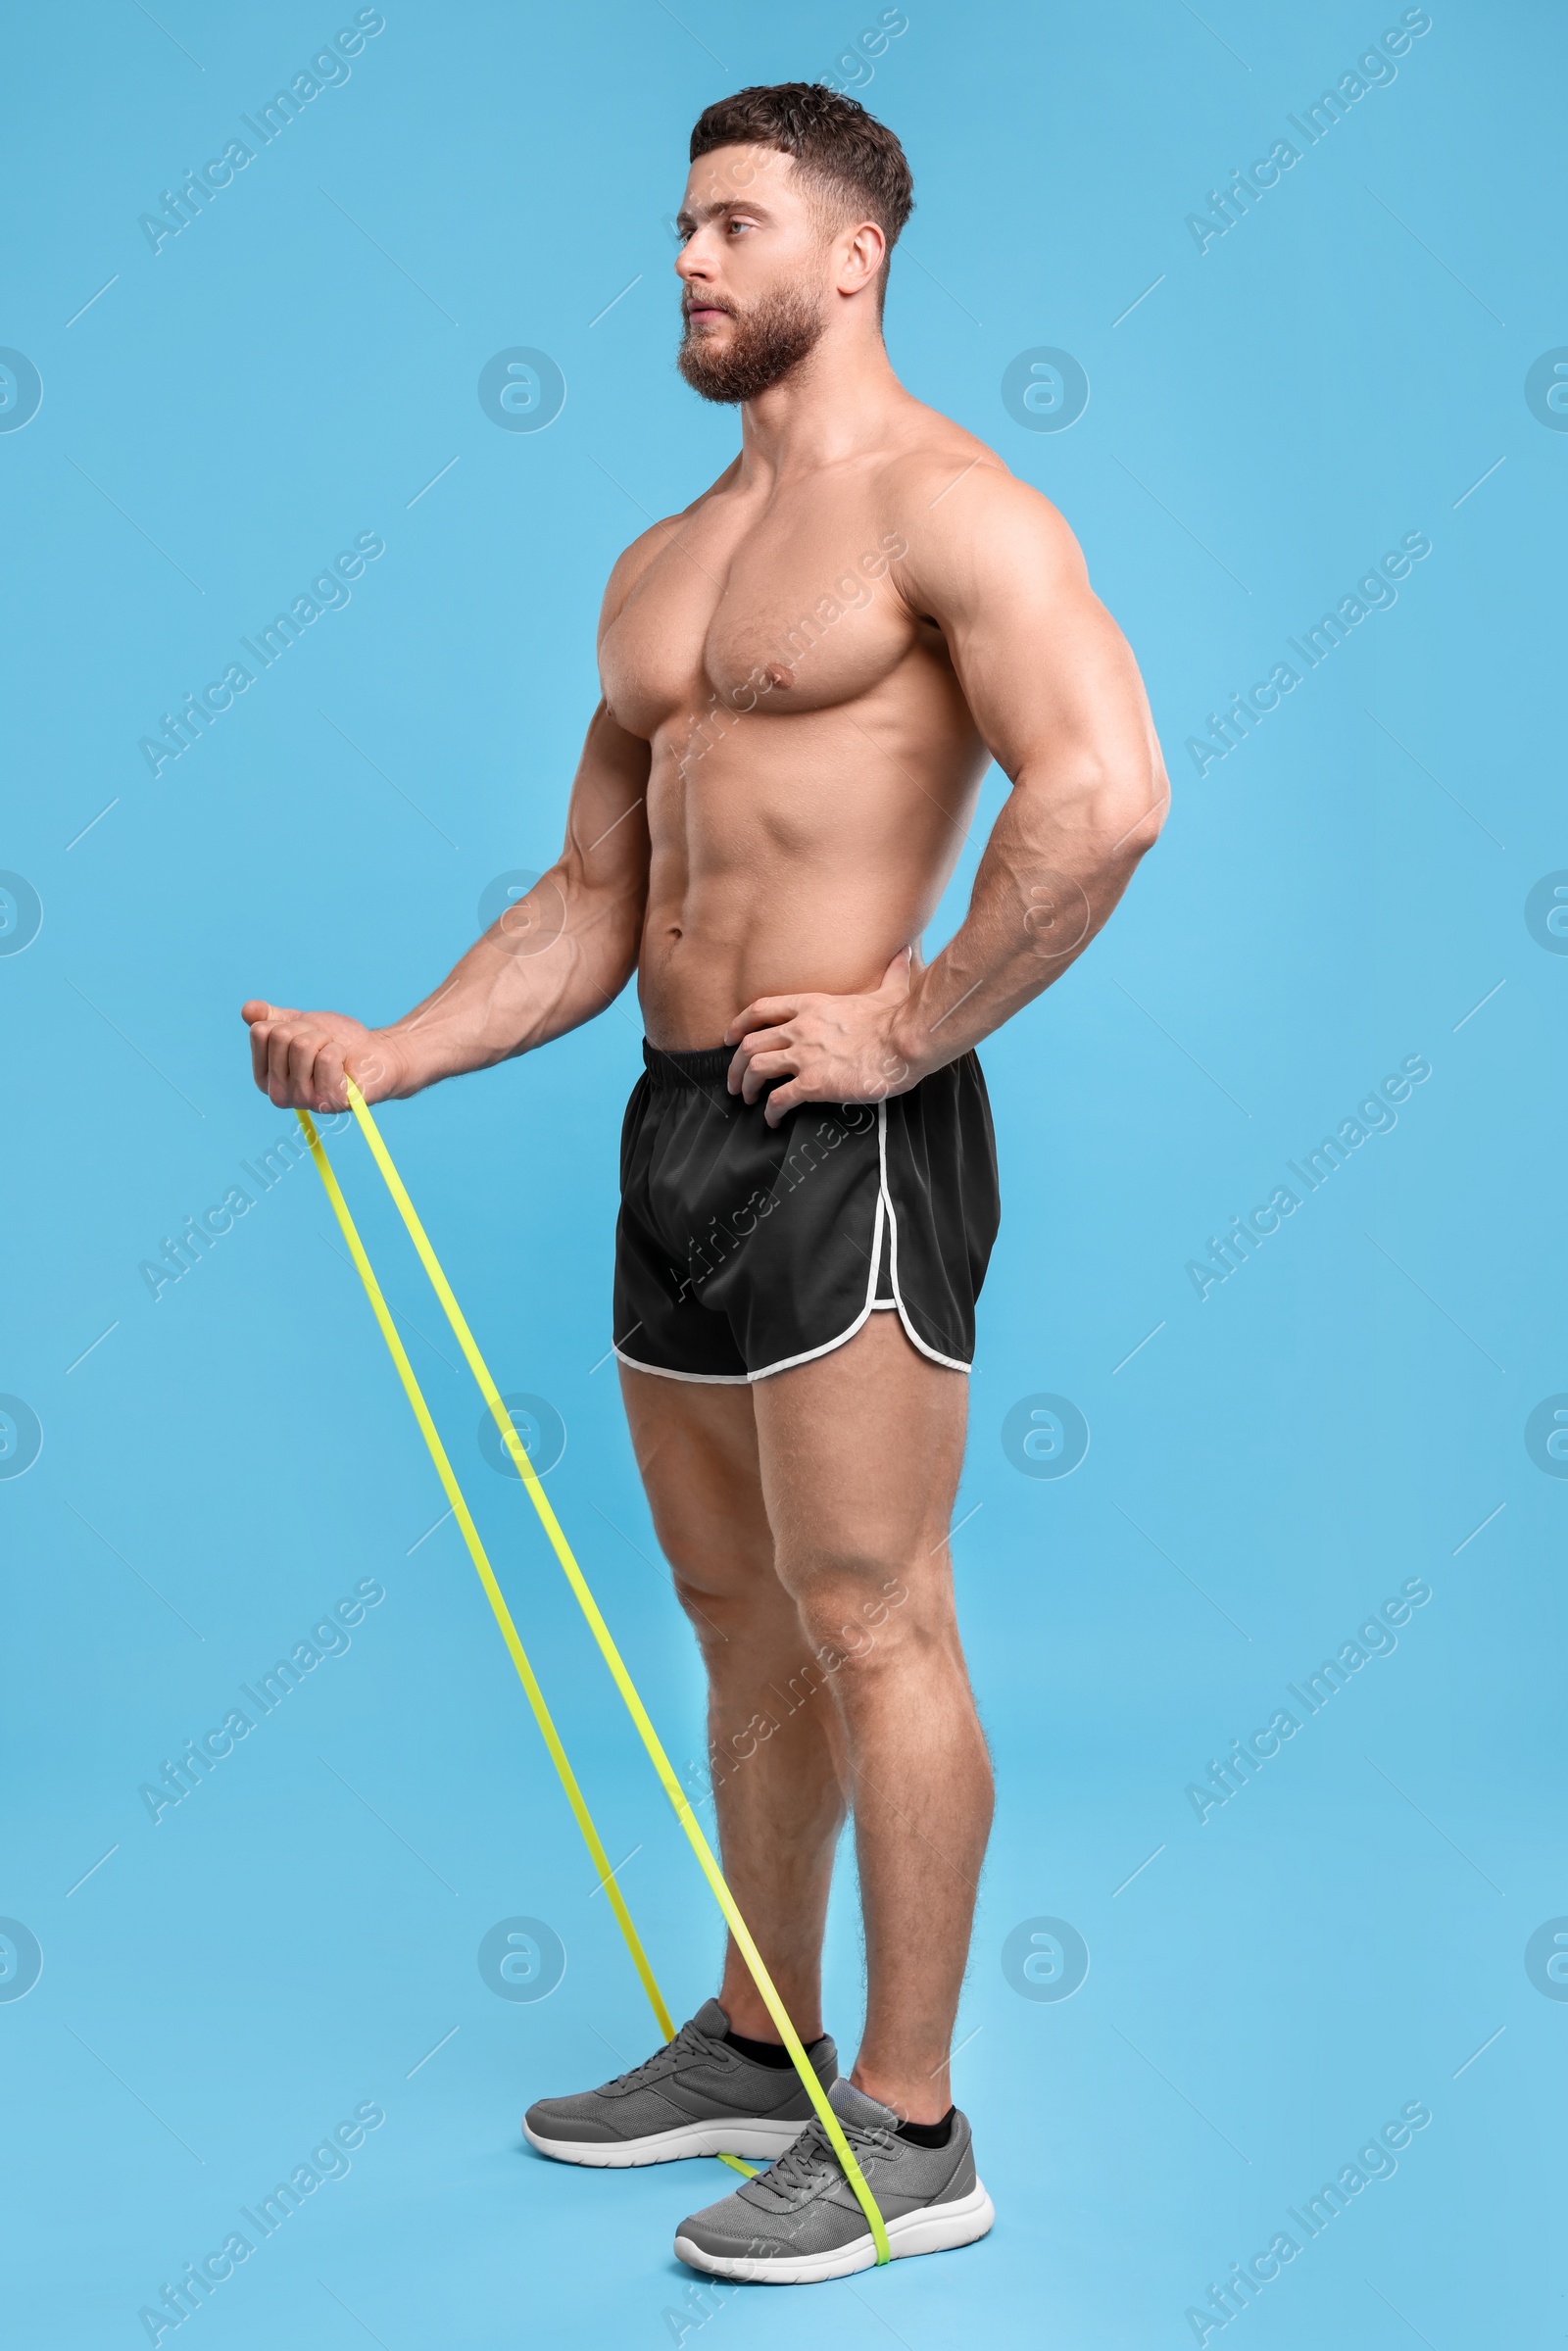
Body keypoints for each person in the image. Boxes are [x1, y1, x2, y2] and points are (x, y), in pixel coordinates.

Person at [243, 81, 1167, 2284]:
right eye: (678, 226)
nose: (687, 261)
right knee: (738, 1619)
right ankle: (759, 2048)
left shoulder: (956, 514)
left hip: (850, 1136)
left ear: (849, 259)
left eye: (733, 226)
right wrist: (394, 1053)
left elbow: (1106, 794)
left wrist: (911, 1021)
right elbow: (589, 893)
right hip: (671, 1128)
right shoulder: (658, 567)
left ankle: (913, 2130)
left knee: (873, 1614)